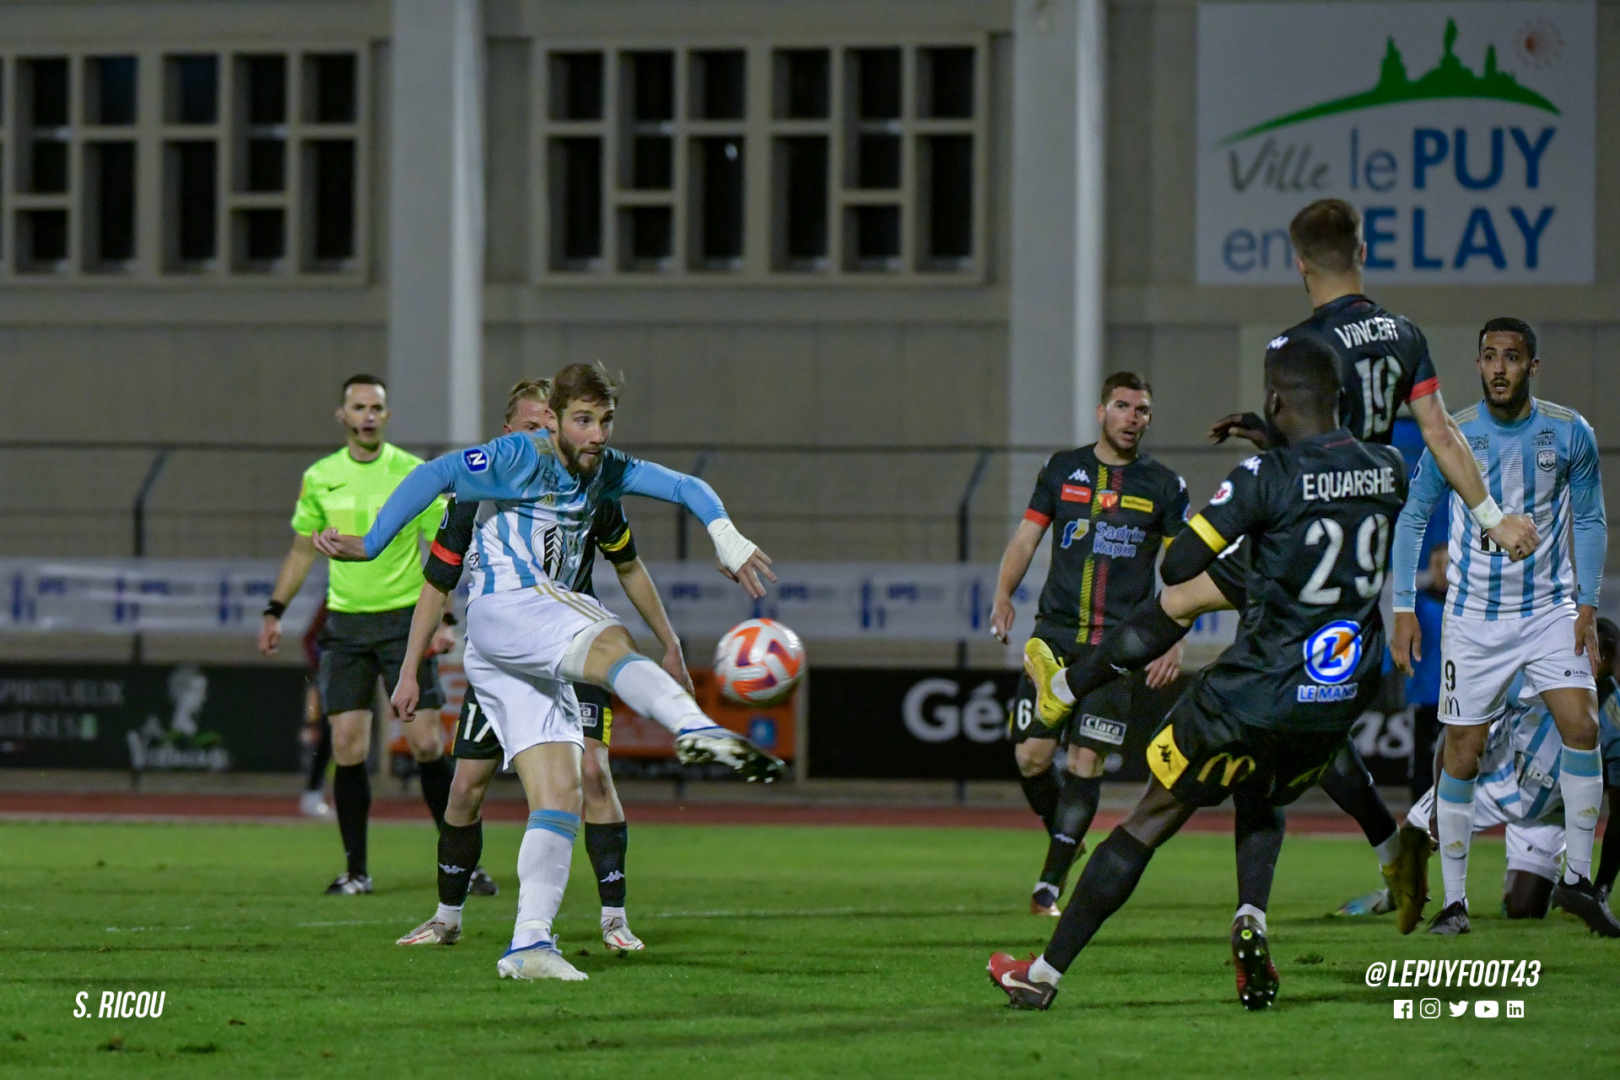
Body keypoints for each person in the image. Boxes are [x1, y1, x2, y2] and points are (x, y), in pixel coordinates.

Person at [1020, 199, 1539, 932]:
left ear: (1298, 262)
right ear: (1362, 249)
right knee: (1276, 693)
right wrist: (1493, 519)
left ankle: (1067, 690)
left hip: (1301, 527)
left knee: (1220, 649)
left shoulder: (1299, 345)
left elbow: (1311, 435)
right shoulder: (1404, 333)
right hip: (1358, 531)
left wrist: (1268, 451)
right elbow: (1441, 434)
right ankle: (1387, 852)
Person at [314, 363, 782, 981]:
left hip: (526, 651)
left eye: (605, 421)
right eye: (582, 420)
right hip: (508, 610)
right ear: (554, 421)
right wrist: (373, 542)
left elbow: (686, 486)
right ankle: (693, 726)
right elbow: (433, 475)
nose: (596, 434)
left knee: (561, 790)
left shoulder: (604, 469)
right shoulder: (515, 456)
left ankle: (529, 944)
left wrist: (726, 535)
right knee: (609, 636)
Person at [991, 336, 1406, 1011]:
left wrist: (1253, 484)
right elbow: (1332, 485)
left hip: (1251, 693)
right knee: (1260, 792)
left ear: (1274, 399)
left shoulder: (1263, 478)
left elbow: (1179, 566)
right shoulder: (1389, 467)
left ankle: (1042, 975)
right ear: (1341, 397)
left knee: (1147, 819)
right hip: (1336, 696)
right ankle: (1252, 917)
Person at [395, 379, 689, 952]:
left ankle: (614, 918)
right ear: (509, 432)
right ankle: (447, 917)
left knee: (592, 774)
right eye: (531, 427)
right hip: (507, 656)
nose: (543, 437)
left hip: (572, 651)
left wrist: (668, 640)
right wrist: (409, 669)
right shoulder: (476, 494)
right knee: (465, 788)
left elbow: (629, 564)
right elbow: (437, 582)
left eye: (549, 426)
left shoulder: (590, 485)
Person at [1390, 318, 1618, 937]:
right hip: (1474, 620)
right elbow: (1412, 517)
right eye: (1489, 356)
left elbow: (1591, 520)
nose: (1498, 368)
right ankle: (1454, 903)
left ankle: (1578, 879)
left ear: (1531, 367)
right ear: (1478, 364)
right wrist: (1404, 607)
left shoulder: (1569, 432)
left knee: (1583, 725)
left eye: (1511, 357)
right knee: (1461, 755)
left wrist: (1587, 604)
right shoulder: (1455, 435)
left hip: (1548, 610)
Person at [990, 372, 1188, 915]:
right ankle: (1067, 837)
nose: (1132, 418)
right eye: (1122, 406)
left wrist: (1174, 637)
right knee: (1031, 758)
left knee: (1085, 761)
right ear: (1102, 412)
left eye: (1141, 410)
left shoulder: (1164, 486)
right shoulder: (1061, 469)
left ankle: (1049, 886)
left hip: (1117, 650)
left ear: (1149, 419)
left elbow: (1181, 569)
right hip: (1054, 638)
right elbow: (1026, 538)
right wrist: (1003, 595)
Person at [259, 374, 455, 894]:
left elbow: (444, 551)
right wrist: (275, 610)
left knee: (427, 742)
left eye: (376, 407)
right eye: (359, 407)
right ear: (342, 415)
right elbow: (302, 550)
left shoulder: (412, 473)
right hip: (345, 624)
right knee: (347, 745)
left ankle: (462, 862)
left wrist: (445, 620)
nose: (368, 415)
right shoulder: (321, 476)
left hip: (405, 622)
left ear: (387, 416)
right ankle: (356, 871)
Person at [1338, 618, 1620, 923]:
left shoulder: (1615, 716)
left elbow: (1619, 811)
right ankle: (1387, 899)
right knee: (1404, 864)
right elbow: (1453, 734)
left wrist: (1602, 887)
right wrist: (1440, 805)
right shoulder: (1527, 676)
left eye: (1606, 652)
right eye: (1592, 648)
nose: (1597, 657)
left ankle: (1524, 888)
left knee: (1523, 911)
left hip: (1544, 813)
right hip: (1489, 780)